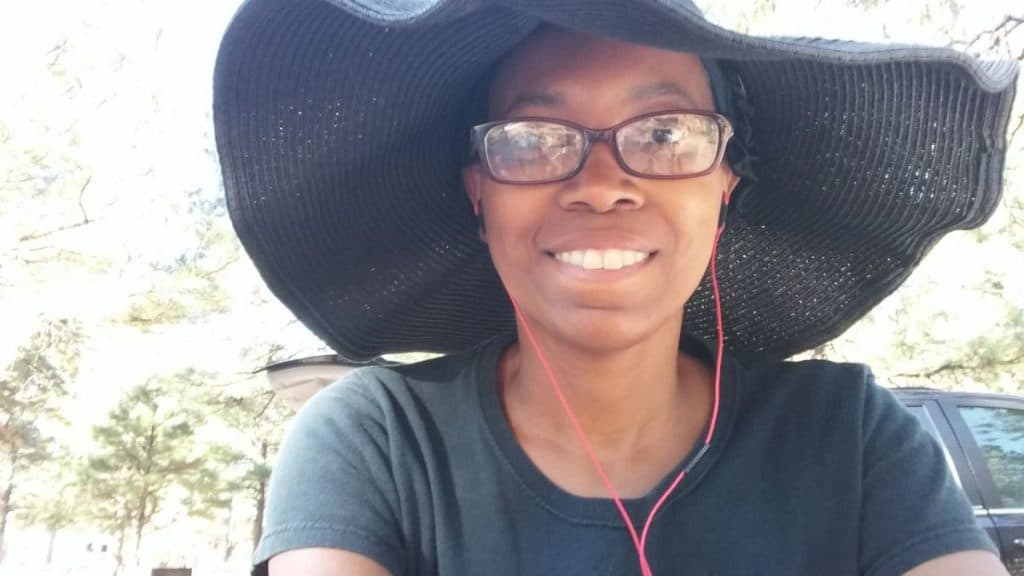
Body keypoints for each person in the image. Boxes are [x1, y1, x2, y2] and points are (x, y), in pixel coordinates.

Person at [213, 0, 1019, 574]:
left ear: (726, 185)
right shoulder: (378, 443)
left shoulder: (849, 437)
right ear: (479, 192)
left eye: (666, 133)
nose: (602, 186)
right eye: (532, 139)